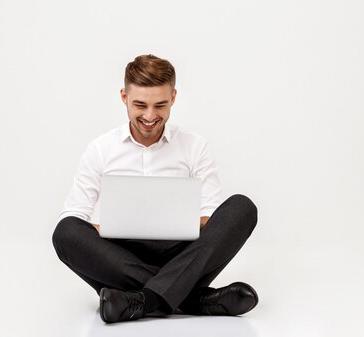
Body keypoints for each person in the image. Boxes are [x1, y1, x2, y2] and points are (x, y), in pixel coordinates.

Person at [52, 54, 258, 323]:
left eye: (160, 105)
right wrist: (108, 228)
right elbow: (75, 215)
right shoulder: (100, 149)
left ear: (173, 98)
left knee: (242, 208)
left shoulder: (195, 146)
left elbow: (212, 216)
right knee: (65, 232)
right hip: (121, 256)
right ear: (124, 97)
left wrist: (177, 224)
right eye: (140, 104)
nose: (150, 116)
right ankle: (195, 299)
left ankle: (141, 301)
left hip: (181, 253)